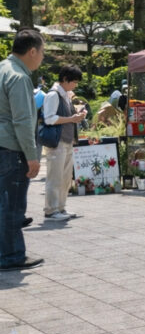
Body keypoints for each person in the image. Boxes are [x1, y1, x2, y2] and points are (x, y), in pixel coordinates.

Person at [0, 29, 45, 271]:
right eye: (43, 52)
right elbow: (22, 121)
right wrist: (31, 156)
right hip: (12, 148)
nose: (42, 58)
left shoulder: (2, 69)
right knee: (13, 205)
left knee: (3, 203)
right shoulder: (19, 77)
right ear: (32, 51)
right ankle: (11, 255)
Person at [41, 65, 87, 222]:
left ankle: (60, 207)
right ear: (65, 79)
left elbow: (66, 116)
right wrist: (71, 119)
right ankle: (51, 210)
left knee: (66, 178)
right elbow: (49, 118)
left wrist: (77, 115)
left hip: (67, 141)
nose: (75, 85)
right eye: (74, 82)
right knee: (55, 177)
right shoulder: (53, 95)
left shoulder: (65, 95)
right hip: (57, 142)